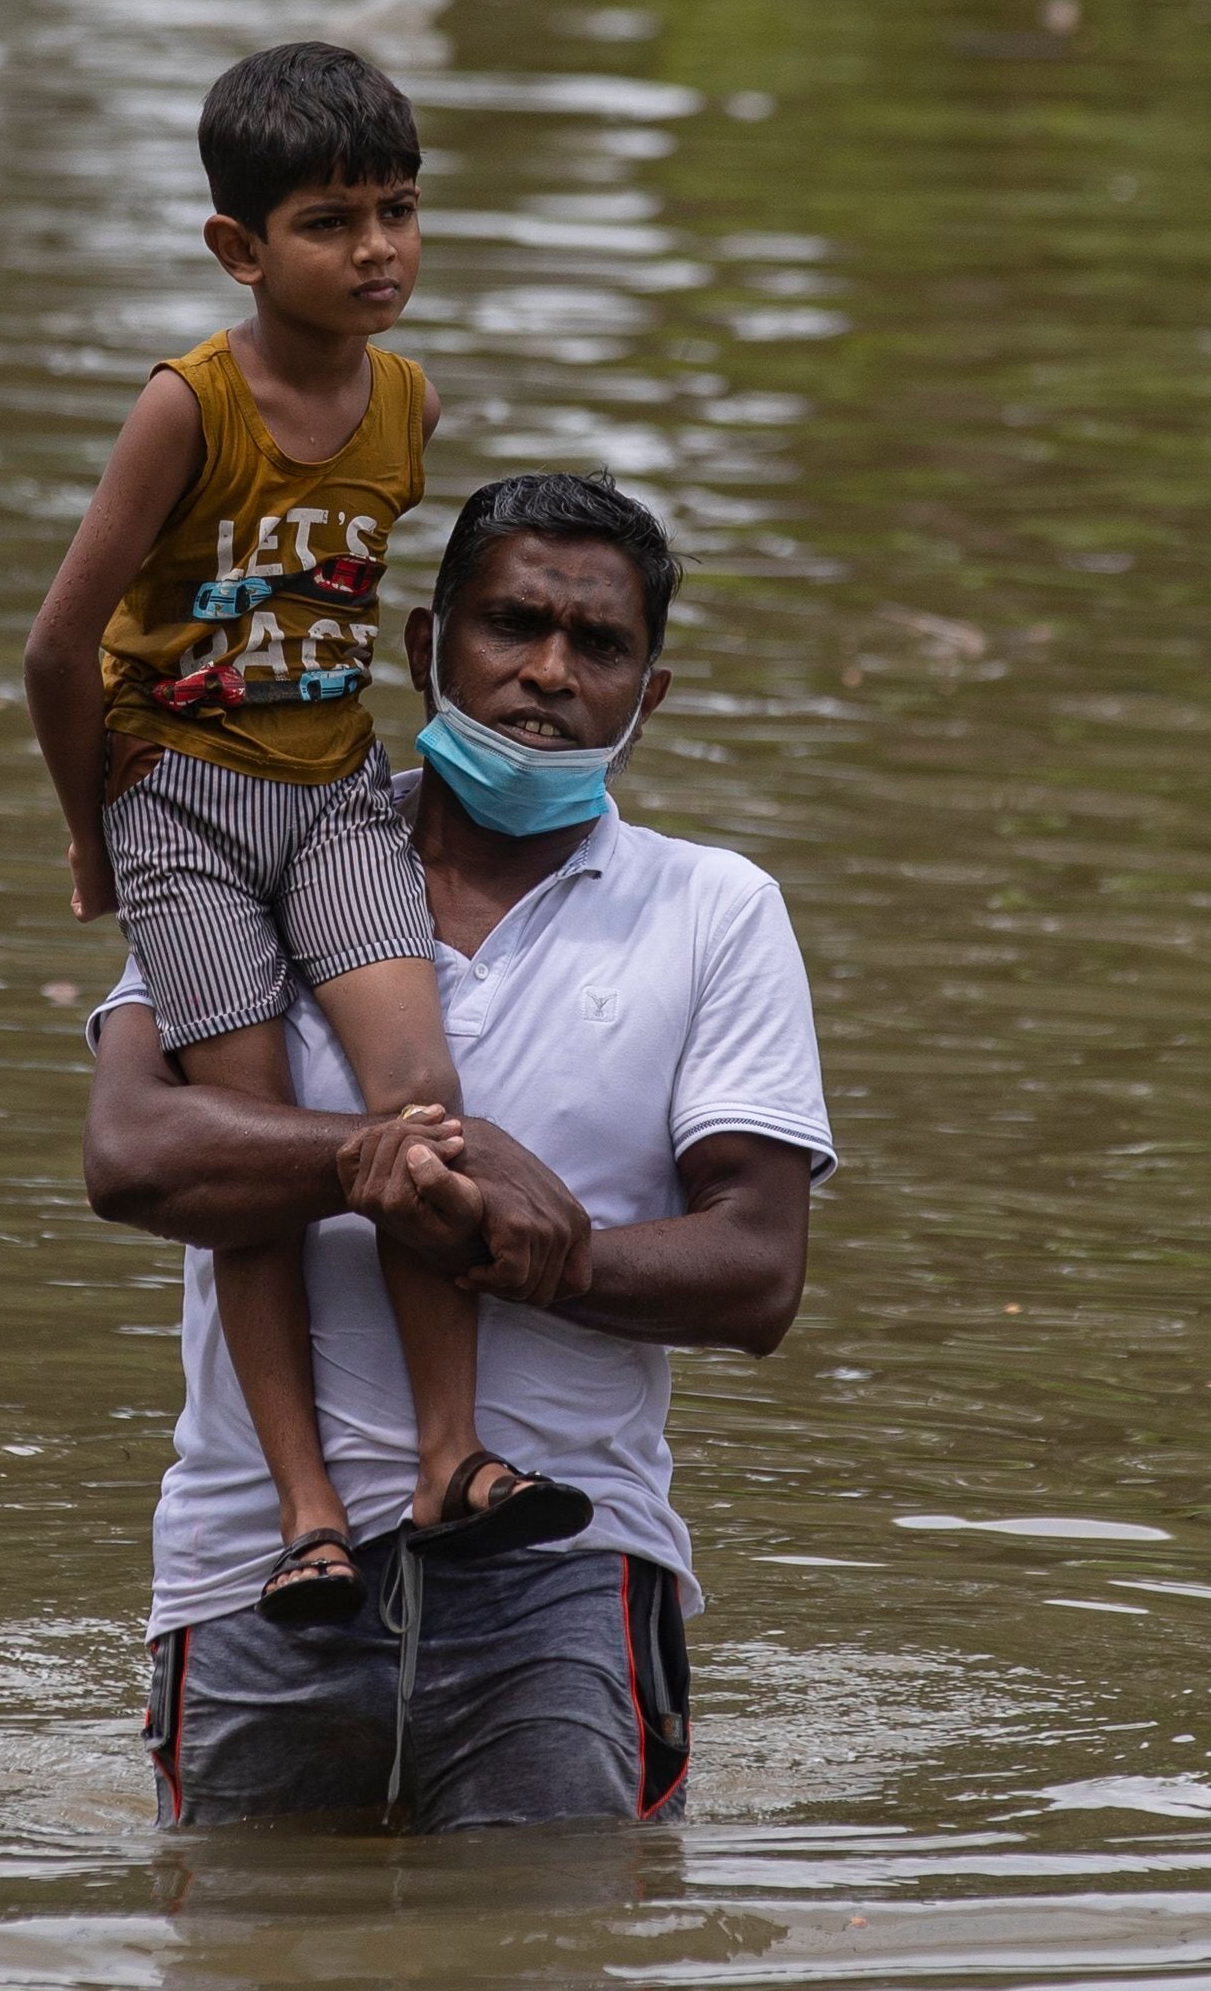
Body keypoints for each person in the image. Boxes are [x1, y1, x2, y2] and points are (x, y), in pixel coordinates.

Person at [80, 473, 832, 1830]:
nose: (548, 673)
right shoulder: (260, 851)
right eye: (512, 624)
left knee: (557, 1963)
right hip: (255, 1568)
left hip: (564, 1565)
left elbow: (758, 1270)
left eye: (598, 644)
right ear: (426, 646)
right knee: (247, 1961)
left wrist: (554, 1255)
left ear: (648, 696)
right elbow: (133, 1153)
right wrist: (401, 1156)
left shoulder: (713, 910)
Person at [22, 44, 587, 1634]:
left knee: (421, 1104)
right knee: (253, 1159)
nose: (377, 250)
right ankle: (305, 1515)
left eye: (397, 210)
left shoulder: (406, 400)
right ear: (239, 248)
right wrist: (94, 837)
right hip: (181, 805)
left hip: (336, 792)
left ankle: (449, 1461)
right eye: (331, 223)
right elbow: (56, 648)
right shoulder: (186, 408)